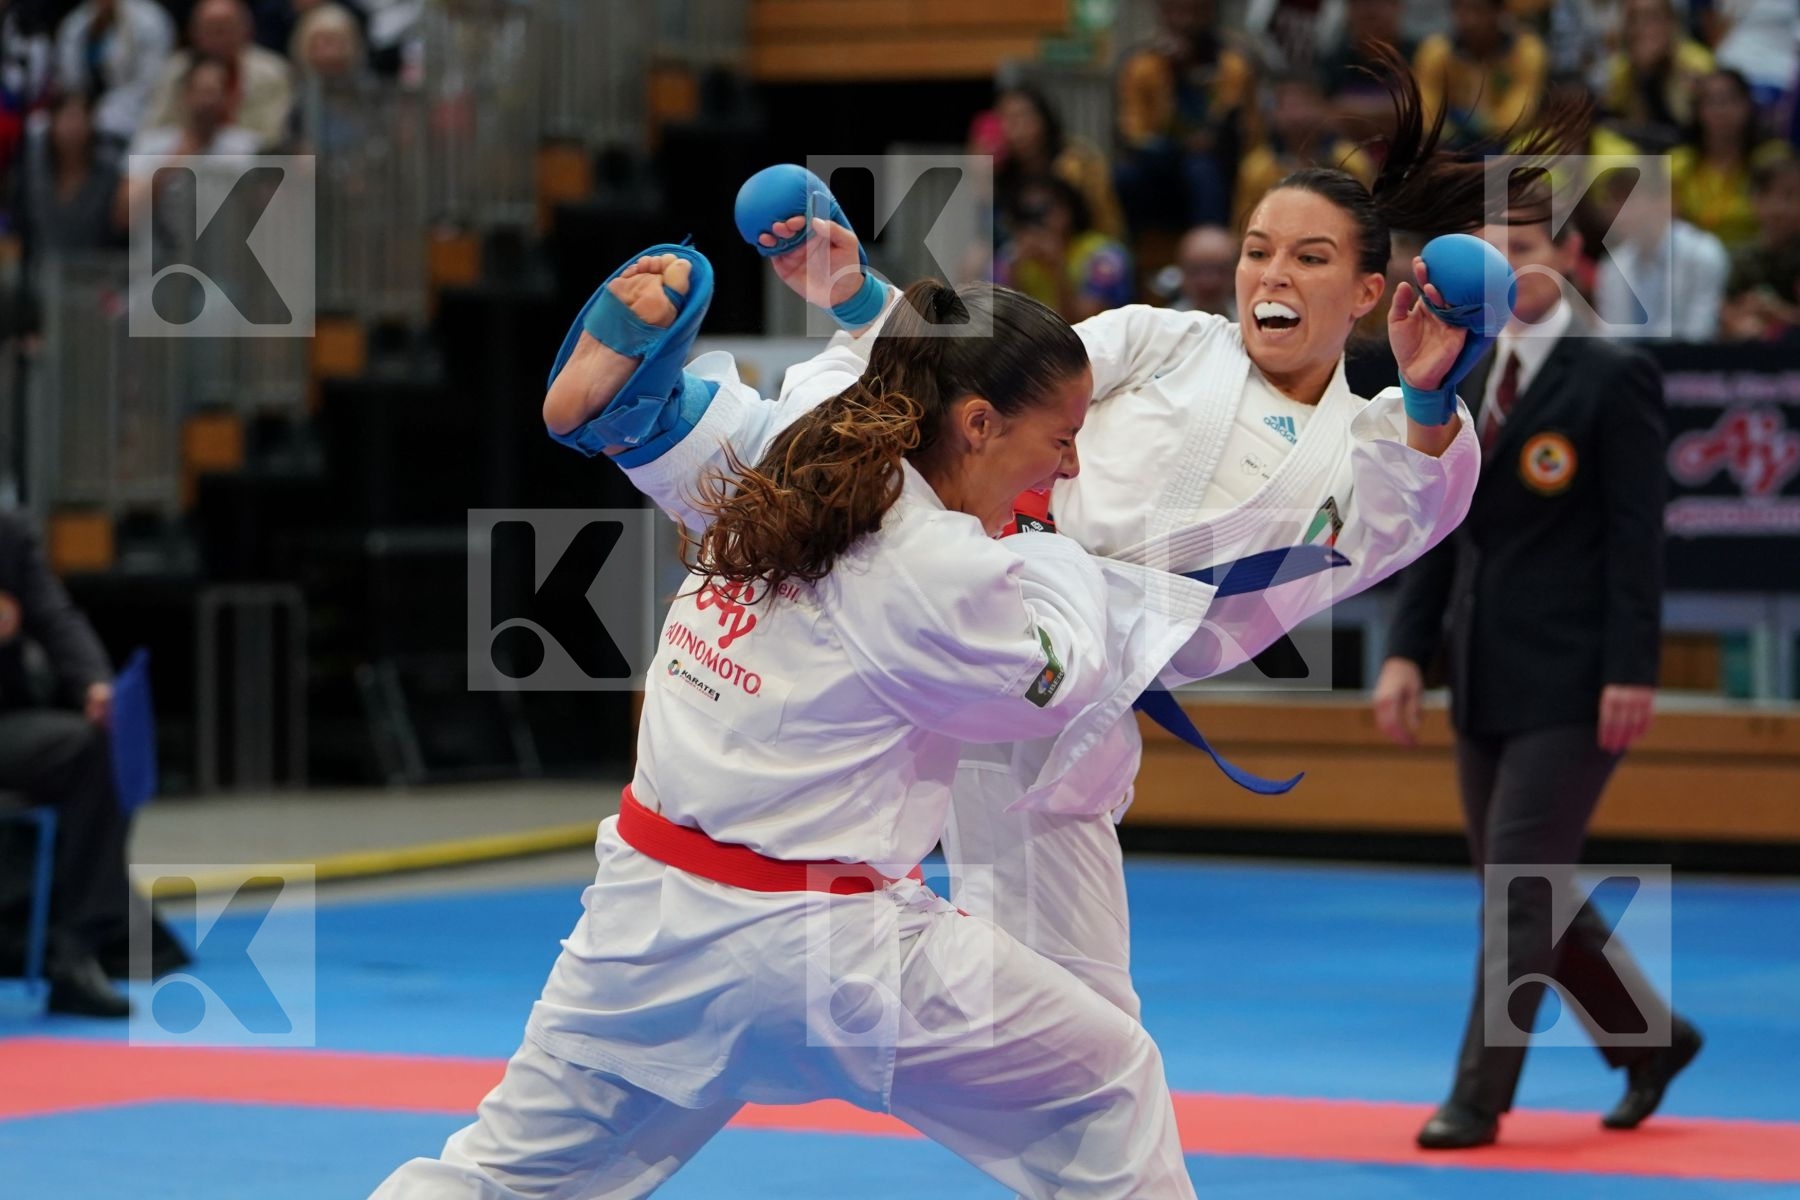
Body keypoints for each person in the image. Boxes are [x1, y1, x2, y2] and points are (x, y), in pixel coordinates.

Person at [691, 45, 1579, 1031]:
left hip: (1061, 701)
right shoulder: (1169, 339)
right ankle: (672, 427)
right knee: (775, 874)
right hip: (958, 598)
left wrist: (1430, 390)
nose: (1272, 274)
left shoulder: (1365, 446)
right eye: (1258, 250)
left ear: (1369, 294)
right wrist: (861, 297)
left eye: (1309, 258)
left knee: (1085, 1022)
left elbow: (1421, 504)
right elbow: (997, 380)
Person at [372, 256, 1217, 1196]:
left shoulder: (800, 455)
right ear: (978, 424)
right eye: (1061, 440)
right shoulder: (939, 567)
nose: (1068, 466)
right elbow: (1057, 678)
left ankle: (649, 422)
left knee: (491, 1179)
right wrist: (1047, 540)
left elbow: (798, 407)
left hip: (642, 926)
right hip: (827, 952)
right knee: (1107, 1083)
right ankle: (645, 422)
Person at [1373, 178, 1702, 1150]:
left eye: (1524, 246)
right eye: (1492, 248)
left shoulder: (1612, 372)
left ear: (1572, 259)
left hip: (1579, 674)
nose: (1508, 265)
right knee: (1528, 884)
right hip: (1482, 665)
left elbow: (1638, 536)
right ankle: (1654, 1041)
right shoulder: (1465, 370)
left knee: (1520, 885)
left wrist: (1633, 666)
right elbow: (1438, 528)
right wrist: (1406, 653)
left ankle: (1478, 1097)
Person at [0, 509, 129, 1016]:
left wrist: (95, 684)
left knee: (97, 746)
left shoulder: (8, 534)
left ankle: (75, 954)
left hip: (6, 725)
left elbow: (57, 618)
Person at [1114, 0, 1256, 234]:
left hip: (1215, 159)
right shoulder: (1141, 64)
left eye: (1194, 11)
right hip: (1159, 155)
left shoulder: (1231, 63)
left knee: (1201, 170)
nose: (1185, 20)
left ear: (1209, 12)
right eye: (1175, 11)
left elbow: (1231, 123)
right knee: (1125, 177)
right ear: (1161, 12)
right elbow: (1132, 132)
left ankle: (1209, 247)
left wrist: (1189, 72)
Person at [1591, 162, 1731, 340]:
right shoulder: (1611, 266)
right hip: (1631, 357)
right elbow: (1612, 336)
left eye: (1628, 200)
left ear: (1661, 201)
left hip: (1688, 357)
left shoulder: (1703, 254)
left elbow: (1699, 333)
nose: (1619, 213)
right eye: (1613, 202)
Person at [1669, 68, 1794, 251]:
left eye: (1730, 100)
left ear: (1747, 106)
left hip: (1759, 256)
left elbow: (1786, 216)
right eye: (1712, 101)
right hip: (1692, 258)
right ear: (1698, 110)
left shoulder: (1771, 159)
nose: (1722, 110)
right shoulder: (1677, 162)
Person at [1233, 71, 1377, 230]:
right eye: (1287, 106)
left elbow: (1367, 221)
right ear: (1274, 113)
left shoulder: (1351, 160)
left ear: (1323, 108)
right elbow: (1244, 227)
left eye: (1305, 104)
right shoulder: (1256, 168)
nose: (1296, 115)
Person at [141, 0, 293, 150]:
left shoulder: (273, 74)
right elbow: (154, 126)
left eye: (225, 29)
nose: (218, 37)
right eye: (210, 29)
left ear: (246, 29)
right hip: (184, 155)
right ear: (193, 33)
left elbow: (273, 136)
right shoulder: (176, 70)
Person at [991, 83, 1125, 244]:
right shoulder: (999, 172)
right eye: (1008, 120)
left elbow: (1106, 226)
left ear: (1044, 119)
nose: (1017, 130)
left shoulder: (1078, 163)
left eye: (1024, 117)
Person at [995, 175, 1135, 324]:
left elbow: (1087, 323)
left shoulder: (1104, 255)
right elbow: (998, 322)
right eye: (1025, 214)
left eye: (1043, 210)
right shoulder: (1010, 258)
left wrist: (1057, 270)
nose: (1036, 222)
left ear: (1068, 209)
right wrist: (1014, 274)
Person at [1411, 0, 1548, 147]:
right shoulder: (1436, 52)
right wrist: (1450, 134)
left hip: (1506, 143)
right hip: (1450, 143)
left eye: (1478, 10)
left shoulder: (1526, 52)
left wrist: (1479, 126)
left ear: (1499, 13)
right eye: (1461, 10)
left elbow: (1518, 114)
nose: (1469, 20)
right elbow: (1426, 111)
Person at [53, 0, 174, 148]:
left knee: (109, 122)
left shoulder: (150, 21)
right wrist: (77, 107)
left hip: (139, 108)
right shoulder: (77, 22)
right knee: (67, 125)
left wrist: (103, 110)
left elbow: (151, 82)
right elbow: (71, 81)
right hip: (89, 105)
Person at [1598, 0, 1714, 150]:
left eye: (1651, 17)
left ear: (1671, 22)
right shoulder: (1620, 68)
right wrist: (1642, 74)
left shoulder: (1698, 63)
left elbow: (1696, 128)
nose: (1640, 27)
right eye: (1633, 19)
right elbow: (1619, 123)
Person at [1720, 155, 1800, 340]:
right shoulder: (1736, 259)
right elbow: (1720, 312)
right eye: (1769, 194)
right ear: (1755, 200)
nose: (1782, 207)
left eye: (1794, 196)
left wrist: (1782, 314)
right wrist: (1735, 317)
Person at [1165, 222, 1239, 315]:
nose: (1209, 283)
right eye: (1196, 271)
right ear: (1182, 272)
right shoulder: (1166, 321)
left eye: (1220, 270)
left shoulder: (1249, 320)